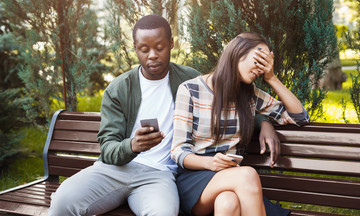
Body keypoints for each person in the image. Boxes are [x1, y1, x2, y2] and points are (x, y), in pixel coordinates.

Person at [49, 15, 280, 216]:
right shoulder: (119, 88)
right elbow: (107, 149)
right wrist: (132, 146)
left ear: (170, 44)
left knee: (164, 213)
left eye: (159, 47)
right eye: (144, 49)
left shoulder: (189, 80)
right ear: (135, 48)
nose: (152, 55)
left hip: (161, 175)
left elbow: (229, 100)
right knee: (62, 202)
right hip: (114, 171)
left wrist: (263, 122)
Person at [171, 32, 310, 216]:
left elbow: (299, 117)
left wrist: (271, 78)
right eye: (258, 60)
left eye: (266, 63)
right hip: (195, 177)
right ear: (238, 53)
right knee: (247, 174)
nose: (261, 68)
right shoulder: (190, 90)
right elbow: (178, 151)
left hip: (231, 177)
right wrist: (211, 163)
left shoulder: (249, 94)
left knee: (228, 203)